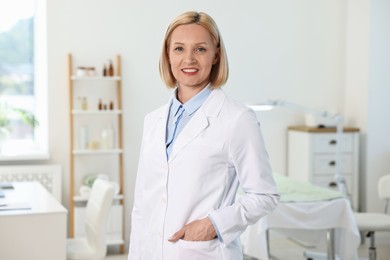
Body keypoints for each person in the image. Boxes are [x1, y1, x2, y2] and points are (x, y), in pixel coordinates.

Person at [128, 11, 279, 260]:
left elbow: (265, 196)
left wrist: (214, 224)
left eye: (200, 49)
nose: (189, 59)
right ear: (167, 54)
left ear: (215, 54)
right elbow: (142, 206)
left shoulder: (237, 119)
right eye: (179, 49)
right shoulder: (152, 121)